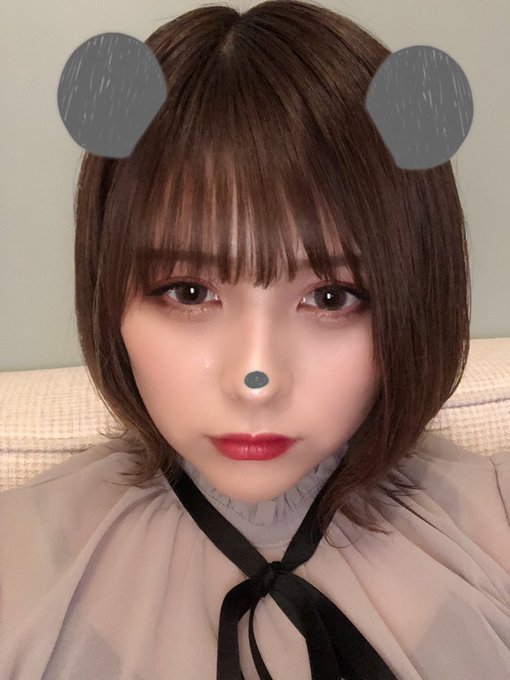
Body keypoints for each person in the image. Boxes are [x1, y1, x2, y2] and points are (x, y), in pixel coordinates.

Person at [1, 1, 509, 678]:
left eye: (330, 298)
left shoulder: (495, 527)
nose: (255, 378)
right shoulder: (19, 568)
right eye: (188, 293)